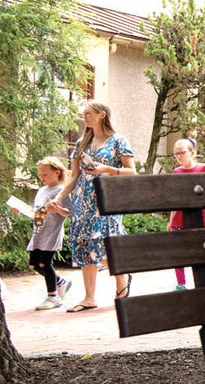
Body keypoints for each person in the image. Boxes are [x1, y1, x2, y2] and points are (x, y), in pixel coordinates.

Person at [56, 101, 134, 312]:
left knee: (108, 246)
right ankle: (89, 298)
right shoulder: (82, 142)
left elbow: (131, 171)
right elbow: (74, 176)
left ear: (101, 115)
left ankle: (122, 279)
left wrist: (106, 169)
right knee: (85, 246)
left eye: (88, 114)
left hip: (106, 201)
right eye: (84, 115)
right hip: (83, 202)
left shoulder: (118, 141)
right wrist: (60, 197)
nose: (85, 118)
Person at [169, 138, 205, 290]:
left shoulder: (203, 168)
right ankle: (180, 284)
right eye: (176, 154)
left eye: (182, 152)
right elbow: (175, 199)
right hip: (179, 220)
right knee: (178, 252)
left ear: (192, 153)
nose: (179, 156)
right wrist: (171, 220)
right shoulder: (176, 172)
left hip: (201, 218)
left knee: (204, 249)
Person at [28, 156, 73, 309]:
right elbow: (38, 210)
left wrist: (58, 209)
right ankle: (61, 282)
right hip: (38, 232)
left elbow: (69, 212)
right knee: (34, 265)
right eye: (40, 175)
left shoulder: (62, 190)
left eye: (45, 174)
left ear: (57, 172)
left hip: (52, 233)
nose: (42, 178)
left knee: (44, 263)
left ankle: (53, 296)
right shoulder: (41, 190)